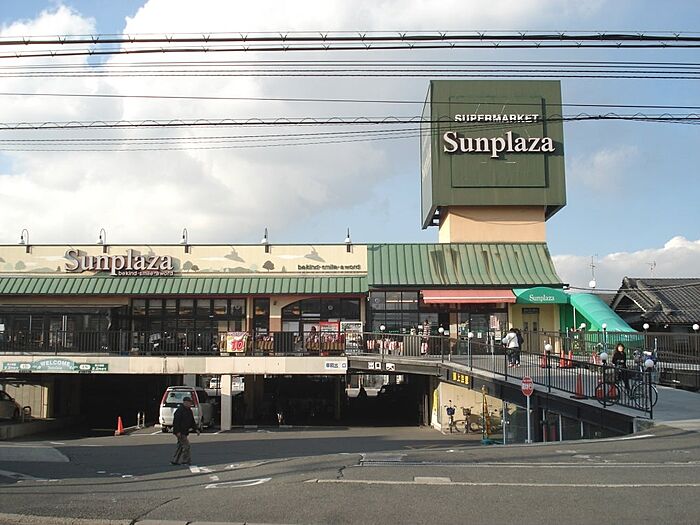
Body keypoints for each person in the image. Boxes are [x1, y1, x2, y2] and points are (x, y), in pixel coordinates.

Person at [171, 396, 199, 466]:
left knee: (181, 446)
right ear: (185, 402)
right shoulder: (180, 410)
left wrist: (196, 429)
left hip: (185, 431)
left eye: (190, 402)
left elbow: (192, 421)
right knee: (186, 445)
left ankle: (175, 460)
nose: (190, 404)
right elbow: (176, 422)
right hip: (180, 431)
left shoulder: (189, 410)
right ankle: (185, 460)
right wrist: (177, 431)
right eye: (189, 402)